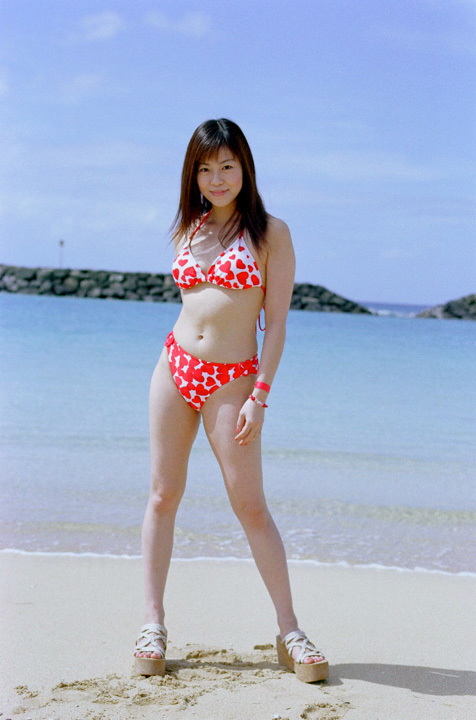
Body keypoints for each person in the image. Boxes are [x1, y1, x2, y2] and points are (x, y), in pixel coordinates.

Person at [133, 119, 328, 683]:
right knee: (162, 494)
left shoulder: (270, 234)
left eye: (226, 166)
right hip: (174, 367)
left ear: (245, 168)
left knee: (250, 506)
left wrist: (259, 396)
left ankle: (290, 631)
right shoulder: (187, 227)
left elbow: (277, 325)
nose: (216, 178)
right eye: (204, 168)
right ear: (192, 174)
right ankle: (152, 623)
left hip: (233, 381)